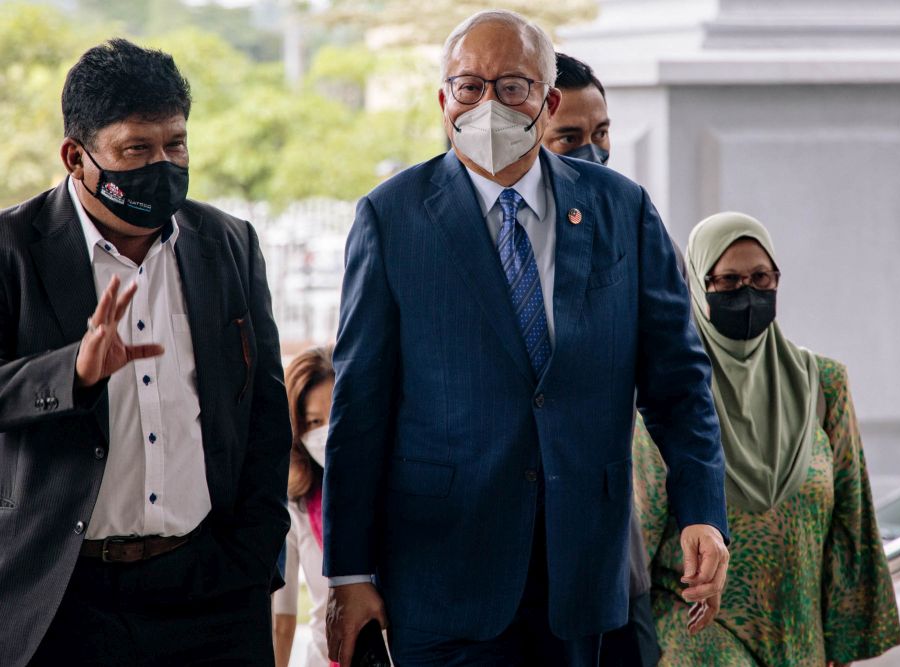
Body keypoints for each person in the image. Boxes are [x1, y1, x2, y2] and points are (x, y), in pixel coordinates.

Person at [323, 10, 730, 667]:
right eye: (468, 87)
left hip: (582, 571)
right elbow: (360, 410)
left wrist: (702, 511)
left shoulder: (621, 210)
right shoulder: (391, 216)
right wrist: (348, 574)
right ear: (441, 100)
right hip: (442, 574)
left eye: (511, 86)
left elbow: (680, 386)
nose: (487, 105)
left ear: (548, 100)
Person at [0, 39, 291, 667]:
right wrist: (73, 372)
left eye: (175, 144)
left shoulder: (229, 243)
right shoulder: (12, 249)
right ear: (76, 157)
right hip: (61, 597)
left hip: (210, 590)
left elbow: (265, 413)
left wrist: (253, 556)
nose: (162, 165)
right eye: (136, 149)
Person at [633, 212, 900, 666]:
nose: (749, 293)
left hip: (800, 643)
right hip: (698, 643)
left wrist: (843, 646)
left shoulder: (823, 384)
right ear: (699, 289)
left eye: (762, 277)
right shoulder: (671, 392)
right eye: (729, 281)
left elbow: (851, 525)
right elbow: (639, 533)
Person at [542, 52, 659, 667]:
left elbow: (674, 376)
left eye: (602, 134)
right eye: (571, 138)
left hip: (610, 554)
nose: (593, 151)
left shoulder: (629, 215)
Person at [274, 347, 335, 667]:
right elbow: (281, 620)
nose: (327, 431)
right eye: (314, 421)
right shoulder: (295, 505)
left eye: (335, 416)